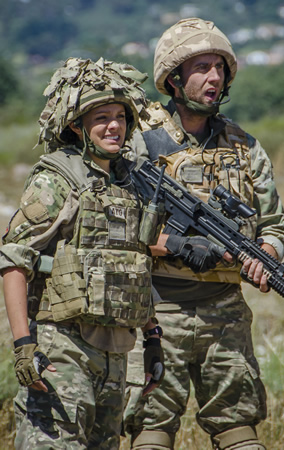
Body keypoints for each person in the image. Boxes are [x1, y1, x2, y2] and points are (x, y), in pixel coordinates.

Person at [123, 18, 284, 450]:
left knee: (240, 433)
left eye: (219, 67)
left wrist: (264, 253)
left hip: (226, 315)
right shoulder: (139, 144)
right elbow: (114, 224)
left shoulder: (244, 146)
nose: (214, 77)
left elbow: (274, 222)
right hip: (157, 313)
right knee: (151, 431)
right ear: (174, 79)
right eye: (201, 67)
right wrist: (177, 245)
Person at [0, 57, 166, 449]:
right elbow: (13, 261)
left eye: (120, 117)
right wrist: (24, 346)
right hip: (63, 350)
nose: (114, 126)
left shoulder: (130, 184)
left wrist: (152, 335)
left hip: (117, 356)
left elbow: (133, 268)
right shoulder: (57, 180)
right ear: (77, 126)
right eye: (101, 117)